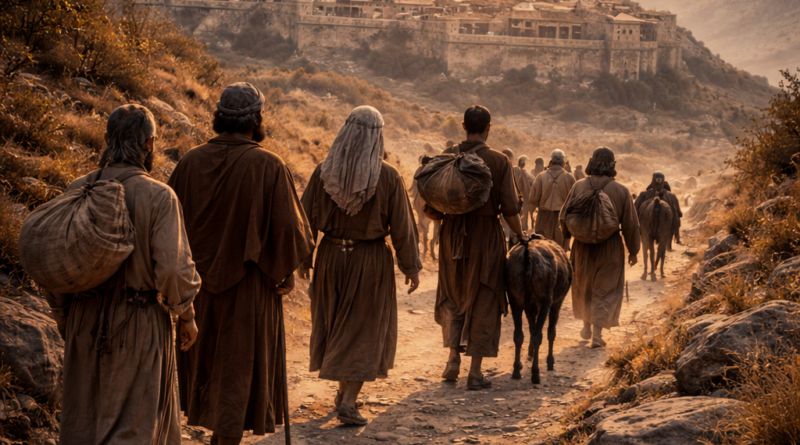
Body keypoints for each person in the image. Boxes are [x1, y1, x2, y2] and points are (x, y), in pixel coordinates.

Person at [169, 83, 315, 445]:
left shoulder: (189, 162)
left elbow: (168, 227)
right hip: (249, 291)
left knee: (200, 366)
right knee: (238, 371)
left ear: (218, 117)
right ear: (257, 120)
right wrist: (285, 274)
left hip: (196, 291)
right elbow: (292, 235)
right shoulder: (268, 165)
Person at [47, 104, 201, 445]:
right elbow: (174, 272)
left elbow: (54, 261)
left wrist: (63, 316)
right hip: (139, 322)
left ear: (106, 140)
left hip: (83, 320)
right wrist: (186, 316)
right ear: (148, 144)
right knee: (135, 428)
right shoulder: (159, 196)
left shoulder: (78, 189)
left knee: (82, 424)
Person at [299, 106, 422, 425]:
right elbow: (403, 227)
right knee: (362, 329)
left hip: (329, 259)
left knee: (338, 321)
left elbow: (302, 219)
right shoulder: (389, 176)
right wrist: (411, 266)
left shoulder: (323, 171)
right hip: (369, 262)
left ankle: (343, 394)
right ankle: (349, 401)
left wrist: (303, 258)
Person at [425, 106, 525, 390]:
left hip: (451, 236)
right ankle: (476, 372)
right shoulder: (499, 161)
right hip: (486, 237)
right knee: (485, 294)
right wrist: (522, 235)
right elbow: (510, 208)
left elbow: (430, 210)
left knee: (453, 291)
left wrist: (452, 215)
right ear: (489, 128)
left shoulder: (447, 157)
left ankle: (453, 359)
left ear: (463, 126)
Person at [560, 147, 640, 349]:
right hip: (610, 247)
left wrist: (568, 236)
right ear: (613, 165)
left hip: (582, 246)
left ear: (591, 162)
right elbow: (631, 225)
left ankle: (586, 326)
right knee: (605, 288)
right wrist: (633, 251)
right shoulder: (621, 190)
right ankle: (597, 334)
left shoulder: (579, 186)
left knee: (584, 285)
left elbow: (563, 216)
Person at [529, 149, 575, 250]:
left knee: (543, 250)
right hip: (562, 218)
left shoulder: (541, 176)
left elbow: (533, 199)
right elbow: (574, 202)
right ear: (564, 162)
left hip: (543, 217)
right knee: (560, 251)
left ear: (551, 161)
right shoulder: (569, 177)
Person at [635, 172, 683, 246]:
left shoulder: (643, 195)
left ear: (653, 181)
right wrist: (679, 213)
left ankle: (637, 233)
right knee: (676, 217)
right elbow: (679, 213)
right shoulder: (671, 196)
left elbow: (634, 209)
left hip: (645, 227)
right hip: (667, 227)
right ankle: (677, 238)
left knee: (636, 214)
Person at [514, 156, 535, 232]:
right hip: (524, 198)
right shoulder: (526, 173)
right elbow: (533, 183)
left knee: (522, 215)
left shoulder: (514, 171)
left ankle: (522, 230)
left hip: (518, 198)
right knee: (524, 215)